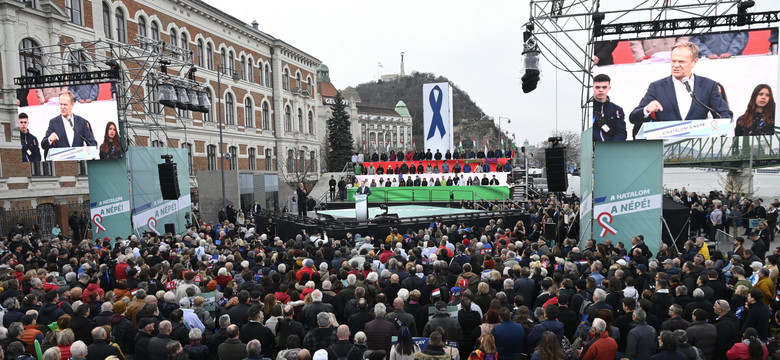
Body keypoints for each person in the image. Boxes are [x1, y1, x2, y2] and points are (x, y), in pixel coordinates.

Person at [629, 42, 732, 128]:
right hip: (665, 146)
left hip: (698, 144)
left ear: (694, 62)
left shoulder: (708, 85)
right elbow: (633, 117)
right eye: (673, 61)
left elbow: (725, 115)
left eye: (681, 61)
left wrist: (714, 126)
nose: (676, 65)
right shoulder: (657, 87)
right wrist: (646, 109)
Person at [591, 74, 627, 142]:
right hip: (591, 149)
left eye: (604, 87)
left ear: (609, 88)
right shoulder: (587, 109)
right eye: (597, 87)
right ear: (592, 88)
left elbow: (622, 133)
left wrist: (611, 147)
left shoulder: (617, 110)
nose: (601, 90)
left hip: (612, 149)